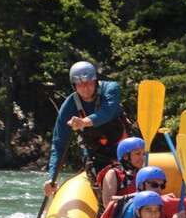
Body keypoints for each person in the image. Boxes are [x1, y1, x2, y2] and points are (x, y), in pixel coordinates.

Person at [44, 61, 129, 197]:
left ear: (95, 81)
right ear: (74, 86)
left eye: (89, 83)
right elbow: (59, 143)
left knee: (132, 175)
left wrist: (83, 122)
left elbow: (107, 112)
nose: (85, 88)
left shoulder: (111, 88)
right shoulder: (69, 106)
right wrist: (52, 177)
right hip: (95, 153)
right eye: (80, 85)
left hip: (123, 146)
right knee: (102, 183)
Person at [97, 166, 186, 218]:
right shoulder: (140, 208)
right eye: (154, 185)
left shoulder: (141, 203)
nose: (159, 189)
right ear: (141, 186)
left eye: (162, 186)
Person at [96, 136, 145, 205]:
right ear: (125, 156)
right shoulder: (113, 173)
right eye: (138, 153)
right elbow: (107, 202)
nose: (142, 157)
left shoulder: (143, 172)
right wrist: (135, 196)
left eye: (143, 154)